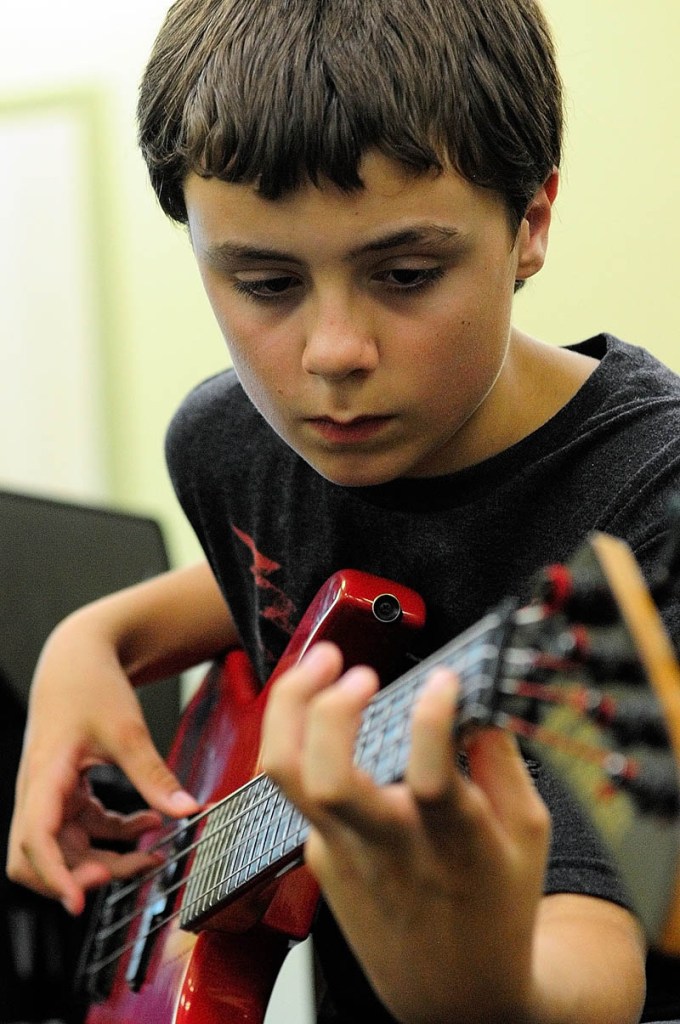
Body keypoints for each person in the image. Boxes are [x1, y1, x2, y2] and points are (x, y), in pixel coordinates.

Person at [7, 0, 680, 1020]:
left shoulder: (648, 493)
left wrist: (476, 989)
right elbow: (289, 573)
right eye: (264, 282)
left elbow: (593, 950)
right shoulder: (226, 445)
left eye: (404, 274)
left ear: (530, 220)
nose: (331, 352)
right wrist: (91, 638)